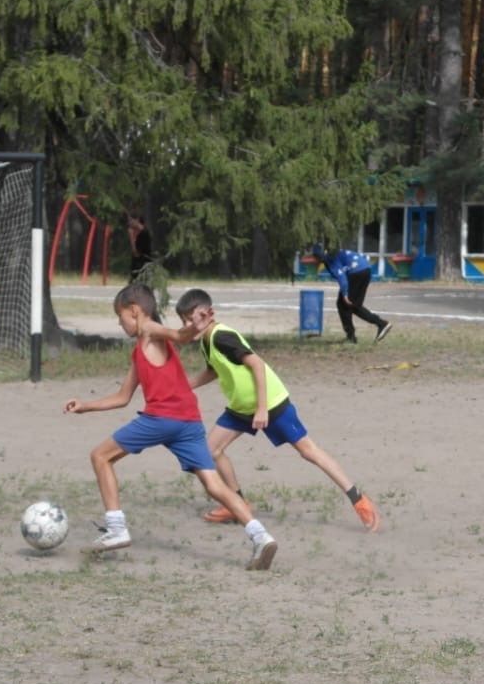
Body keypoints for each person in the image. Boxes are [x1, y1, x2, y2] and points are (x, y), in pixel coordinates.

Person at [62, 283, 278, 570]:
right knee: (213, 484)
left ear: (134, 311)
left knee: (100, 456)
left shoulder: (149, 330)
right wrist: (85, 405)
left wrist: (194, 327)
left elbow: (178, 335)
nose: (119, 323)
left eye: (120, 316)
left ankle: (116, 529)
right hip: (189, 421)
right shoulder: (139, 351)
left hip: (162, 419)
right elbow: (122, 397)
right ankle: (261, 536)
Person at [174, 288, 381, 532]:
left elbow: (257, 364)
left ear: (208, 314)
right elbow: (213, 370)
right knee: (211, 450)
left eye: (191, 319)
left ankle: (359, 499)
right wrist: (186, 387)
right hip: (241, 407)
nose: (187, 325)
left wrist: (262, 409)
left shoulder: (222, 336)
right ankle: (237, 504)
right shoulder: (207, 341)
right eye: (183, 321)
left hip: (270, 404)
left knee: (308, 451)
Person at [312, 243, 393, 344]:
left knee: (344, 304)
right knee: (352, 305)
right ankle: (373, 327)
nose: (314, 260)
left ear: (320, 256)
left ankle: (378, 325)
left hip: (356, 272)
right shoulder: (334, 253)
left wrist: (345, 294)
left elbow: (342, 277)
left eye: (315, 257)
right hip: (365, 269)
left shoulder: (330, 259)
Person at [127, 214, 153, 282]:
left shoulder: (144, 233)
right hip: (138, 268)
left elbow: (136, 254)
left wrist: (131, 237)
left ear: (137, 220)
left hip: (142, 267)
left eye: (131, 220)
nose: (129, 223)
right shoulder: (139, 233)